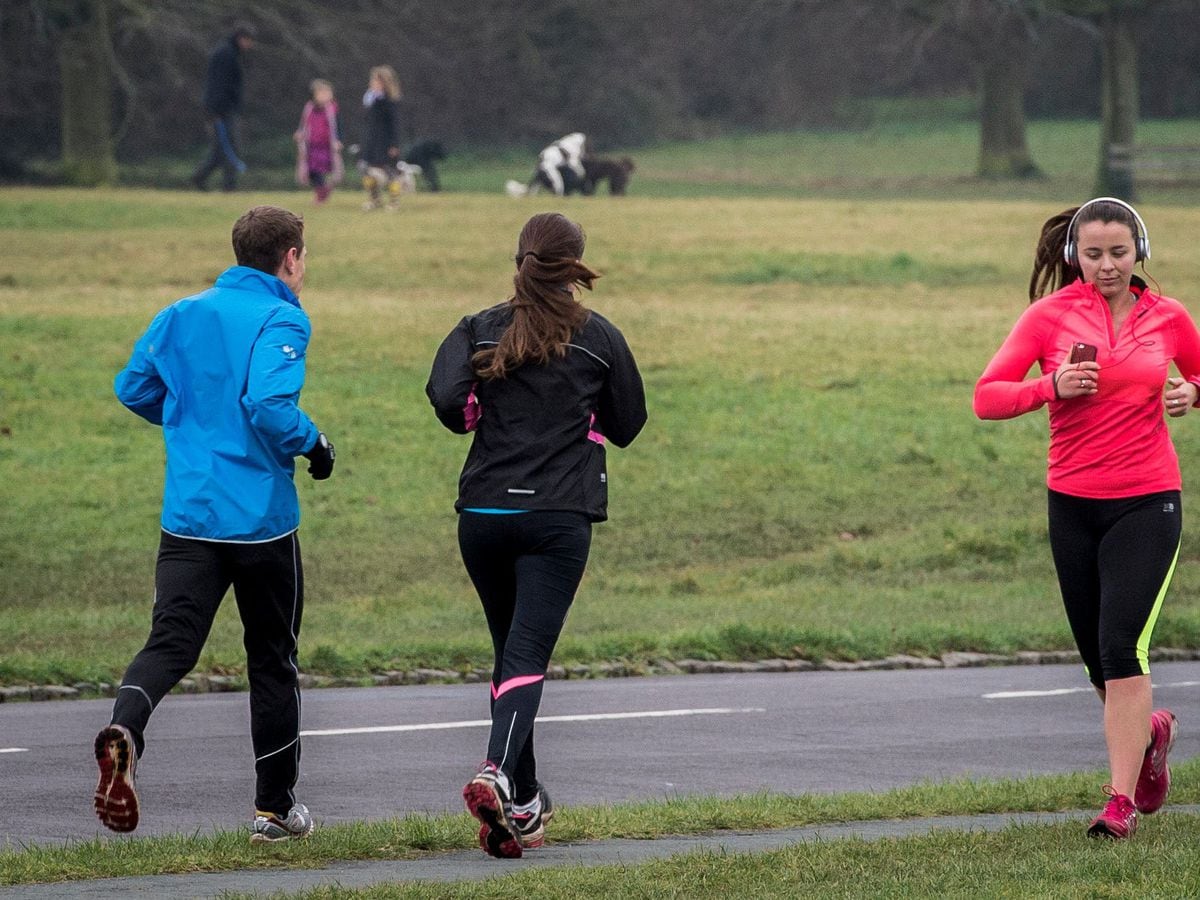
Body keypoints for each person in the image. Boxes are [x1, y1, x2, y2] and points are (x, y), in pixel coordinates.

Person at [93, 206, 336, 843]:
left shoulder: (181, 313)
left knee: (170, 642)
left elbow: (132, 387)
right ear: (289, 257)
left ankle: (126, 731)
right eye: (303, 256)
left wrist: (190, 426)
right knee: (272, 662)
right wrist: (315, 445)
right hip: (260, 524)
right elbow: (267, 403)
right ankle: (275, 811)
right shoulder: (283, 316)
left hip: (190, 518)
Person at [426, 212, 647, 858]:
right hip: (557, 520)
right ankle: (495, 772)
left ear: (519, 258)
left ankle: (521, 804)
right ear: (575, 264)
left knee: (511, 657)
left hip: (484, 519)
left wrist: (481, 409)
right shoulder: (598, 337)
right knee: (526, 656)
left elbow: (448, 402)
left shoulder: (478, 328)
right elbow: (628, 422)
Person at [974, 197, 1190, 840]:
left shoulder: (1170, 318)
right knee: (1100, 662)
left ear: (1139, 251)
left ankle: (1118, 803)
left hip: (1149, 501)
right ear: (1074, 255)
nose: (1106, 266)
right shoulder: (1048, 318)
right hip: (1071, 503)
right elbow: (987, 397)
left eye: (1118, 253)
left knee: (1123, 648)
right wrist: (1049, 388)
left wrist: (1193, 391)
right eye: (1092, 254)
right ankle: (1149, 735)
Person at [191, 24, 256, 192]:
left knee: (220, 149)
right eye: (249, 40)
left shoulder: (228, 53)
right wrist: (216, 111)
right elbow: (218, 86)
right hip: (221, 111)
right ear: (241, 38)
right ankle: (229, 186)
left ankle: (199, 178)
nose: (250, 45)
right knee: (230, 147)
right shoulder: (226, 55)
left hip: (223, 109)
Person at [359, 65, 404, 210]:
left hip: (386, 143)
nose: (372, 83)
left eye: (376, 81)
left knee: (390, 172)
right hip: (372, 142)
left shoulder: (390, 102)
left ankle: (394, 202)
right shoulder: (370, 100)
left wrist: (394, 144)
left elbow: (395, 125)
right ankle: (375, 200)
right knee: (367, 170)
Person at [294, 79, 344, 204]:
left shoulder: (332, 110)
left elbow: (338, 126)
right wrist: (300, 134)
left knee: (322, 169)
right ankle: (323, 190)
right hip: (312, 146)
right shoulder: (309, 109)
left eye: (327, 93)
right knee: (312, 171)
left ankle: (321, 194)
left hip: (327, 146)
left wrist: (338, 140)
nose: (324, 96)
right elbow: (304, 125)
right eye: (321, 93)